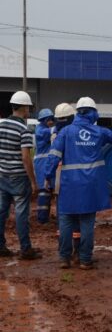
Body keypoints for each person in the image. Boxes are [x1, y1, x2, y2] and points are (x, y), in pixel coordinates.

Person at [45, 97, 112, 270]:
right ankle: (85, 260)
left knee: (66, 220)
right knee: (87, 222)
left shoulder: (65, 132)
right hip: (91, 185)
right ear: (93, 112)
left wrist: (47, 176)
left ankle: (64, 259)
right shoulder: (99, 132)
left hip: (69, 184)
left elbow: (53, 157)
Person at [0, 91, 42, 259]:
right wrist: (33, 182)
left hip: (2, 176)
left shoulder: (1, 126)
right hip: (18, 178)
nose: (29, 111)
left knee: (1, 213)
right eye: (28, 108)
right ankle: (26, 249)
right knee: (21, 215)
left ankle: (1, 247)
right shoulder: (23, 130)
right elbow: (26, 158)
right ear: (24, 108)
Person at [52, 103, 81, 262]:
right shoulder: (74, 134)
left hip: (58, 182)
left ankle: (64, 254)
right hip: (74, 180)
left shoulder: (54, 134)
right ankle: (77, 251)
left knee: (63, 219)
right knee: (77, 219)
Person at [34, 108, 55, 224]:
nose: (51, 121)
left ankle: (44, 218)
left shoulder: (45, 129)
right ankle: (42, 219)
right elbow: (50, 132)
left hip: (47, 164)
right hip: (42, 165)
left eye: (52, 119)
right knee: (44, 192)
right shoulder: (40, 130)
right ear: (43, 120)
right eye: (49, 119)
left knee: (49, 191)